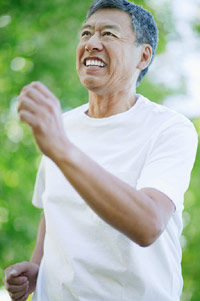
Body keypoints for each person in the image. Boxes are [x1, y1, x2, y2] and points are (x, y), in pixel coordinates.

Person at [4, 0, 198, 300]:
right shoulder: (62, 126)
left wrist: (61, 148)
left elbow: (148, 224)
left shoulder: (170, 128)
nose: (92, 43)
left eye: (108, 34)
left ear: (143, 56)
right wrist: (36, 265)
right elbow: (52, 207)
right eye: (85, 34)